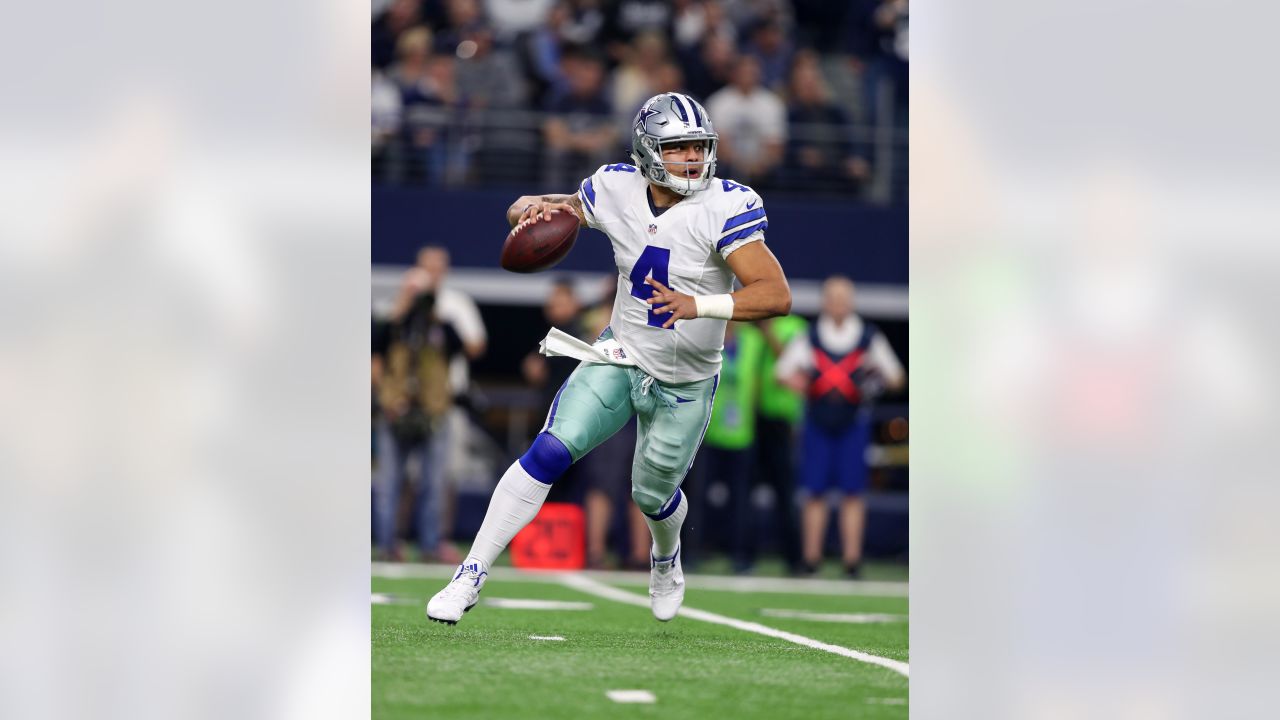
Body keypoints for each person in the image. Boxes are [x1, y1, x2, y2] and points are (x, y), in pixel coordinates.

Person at [427, 92, 792, 624]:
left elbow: (776, 294)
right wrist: (527, 205)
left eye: (698, 147)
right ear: (647, 152)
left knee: (651, 493)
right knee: (550, 450)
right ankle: (471, 573)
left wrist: (697, 304)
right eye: (678, 148)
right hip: (620, 355)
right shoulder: (616, 186)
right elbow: (560, 208)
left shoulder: (725, 206)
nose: (692, 159)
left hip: (686, 380)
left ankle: (666, 558)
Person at [775, 276, 905, 577]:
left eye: (843, 298)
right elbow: (781, 374)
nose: (838, 304)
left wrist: (873, 382)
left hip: (852, 423)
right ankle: (811, 558)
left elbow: (897, 377)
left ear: (852, 302)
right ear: (824, 301)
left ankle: (852, 560)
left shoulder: (868, 337)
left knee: (853, 492)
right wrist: (806, 387)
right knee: (814, 491)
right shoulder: (810, 335)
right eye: (832, 297)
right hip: (818, 421)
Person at [689, 320, 765, 573]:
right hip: (707, 432)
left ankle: (740, 555)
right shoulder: (706, 335)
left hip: (742, 433)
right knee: (696, 496)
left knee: (741, 499)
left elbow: (759, 382)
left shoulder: (754, 341)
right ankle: (692, 552)